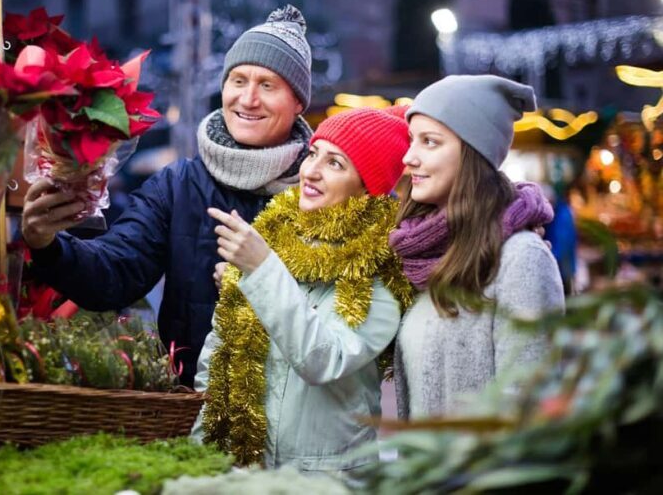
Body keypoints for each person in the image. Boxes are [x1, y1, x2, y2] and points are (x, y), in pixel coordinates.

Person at [20, 5, 313, 387]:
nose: (248, 99)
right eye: (238, 80)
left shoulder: (321, 191)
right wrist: (48, 245)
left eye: (268, 85)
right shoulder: (178, 185)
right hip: (196, 412)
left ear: (298, 103)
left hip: (300, 415)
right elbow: (114, 274)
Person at [192, 107, 413, 471]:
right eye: (313, 154)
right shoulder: (273, 235)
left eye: (336, 163)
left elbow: (325, 360)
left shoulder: (381, 266)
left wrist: (262, 269)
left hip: (326, 480)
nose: (311, 170)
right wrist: (199, 456)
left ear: (368, 186)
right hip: (240, 472)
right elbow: (215, 362)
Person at [388, 75, 565, 420]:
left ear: (473, 153)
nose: (409, 157)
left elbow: (529, 411)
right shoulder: (425, 255)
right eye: (413, 140)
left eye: (430, 142)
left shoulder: (521, 258)